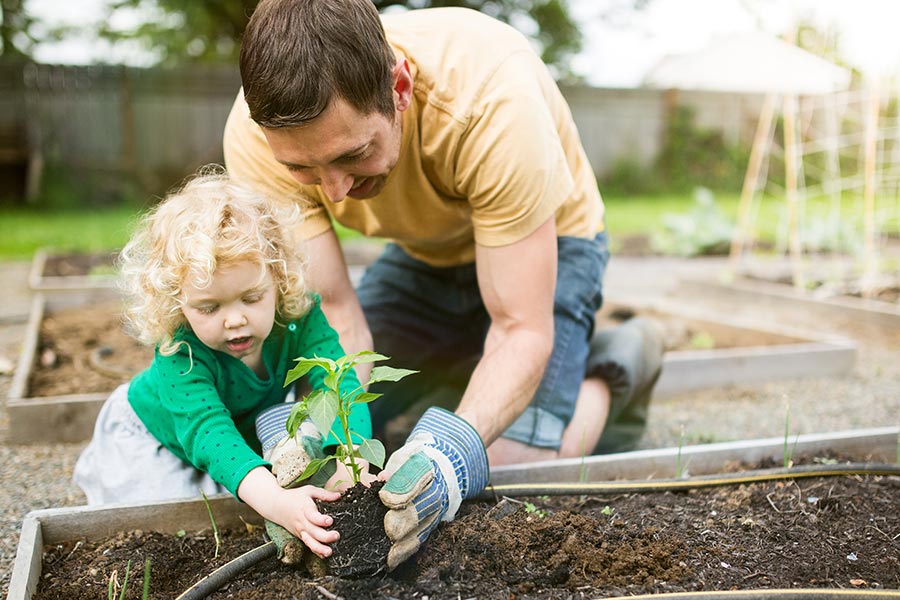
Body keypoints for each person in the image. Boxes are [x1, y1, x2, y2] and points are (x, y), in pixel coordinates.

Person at [223, 0, 664, 570]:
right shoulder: (259, 137)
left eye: (353, 154)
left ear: (399, 86)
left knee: (513, 464)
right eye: (303, 170)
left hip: (551, 244)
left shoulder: (491, 100)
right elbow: (334, 310)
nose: (332, 192)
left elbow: (520, 328)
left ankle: (617, 361)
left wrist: (450, 456)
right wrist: (313, 437)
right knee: (348, 441)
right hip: (422, 254)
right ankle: (465, 371)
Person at [72, 169, 374, 560]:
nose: (234, 320)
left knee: (247, 492)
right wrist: (278, 504)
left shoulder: (298, 316)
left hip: (235, 426)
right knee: (171, 525)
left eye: (251, 298)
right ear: (176, 301)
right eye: (209, 307)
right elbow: (209, 433)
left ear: (278, 278)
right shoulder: (180, 354)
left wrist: (352, 461)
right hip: (152, 438)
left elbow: (337, 381)